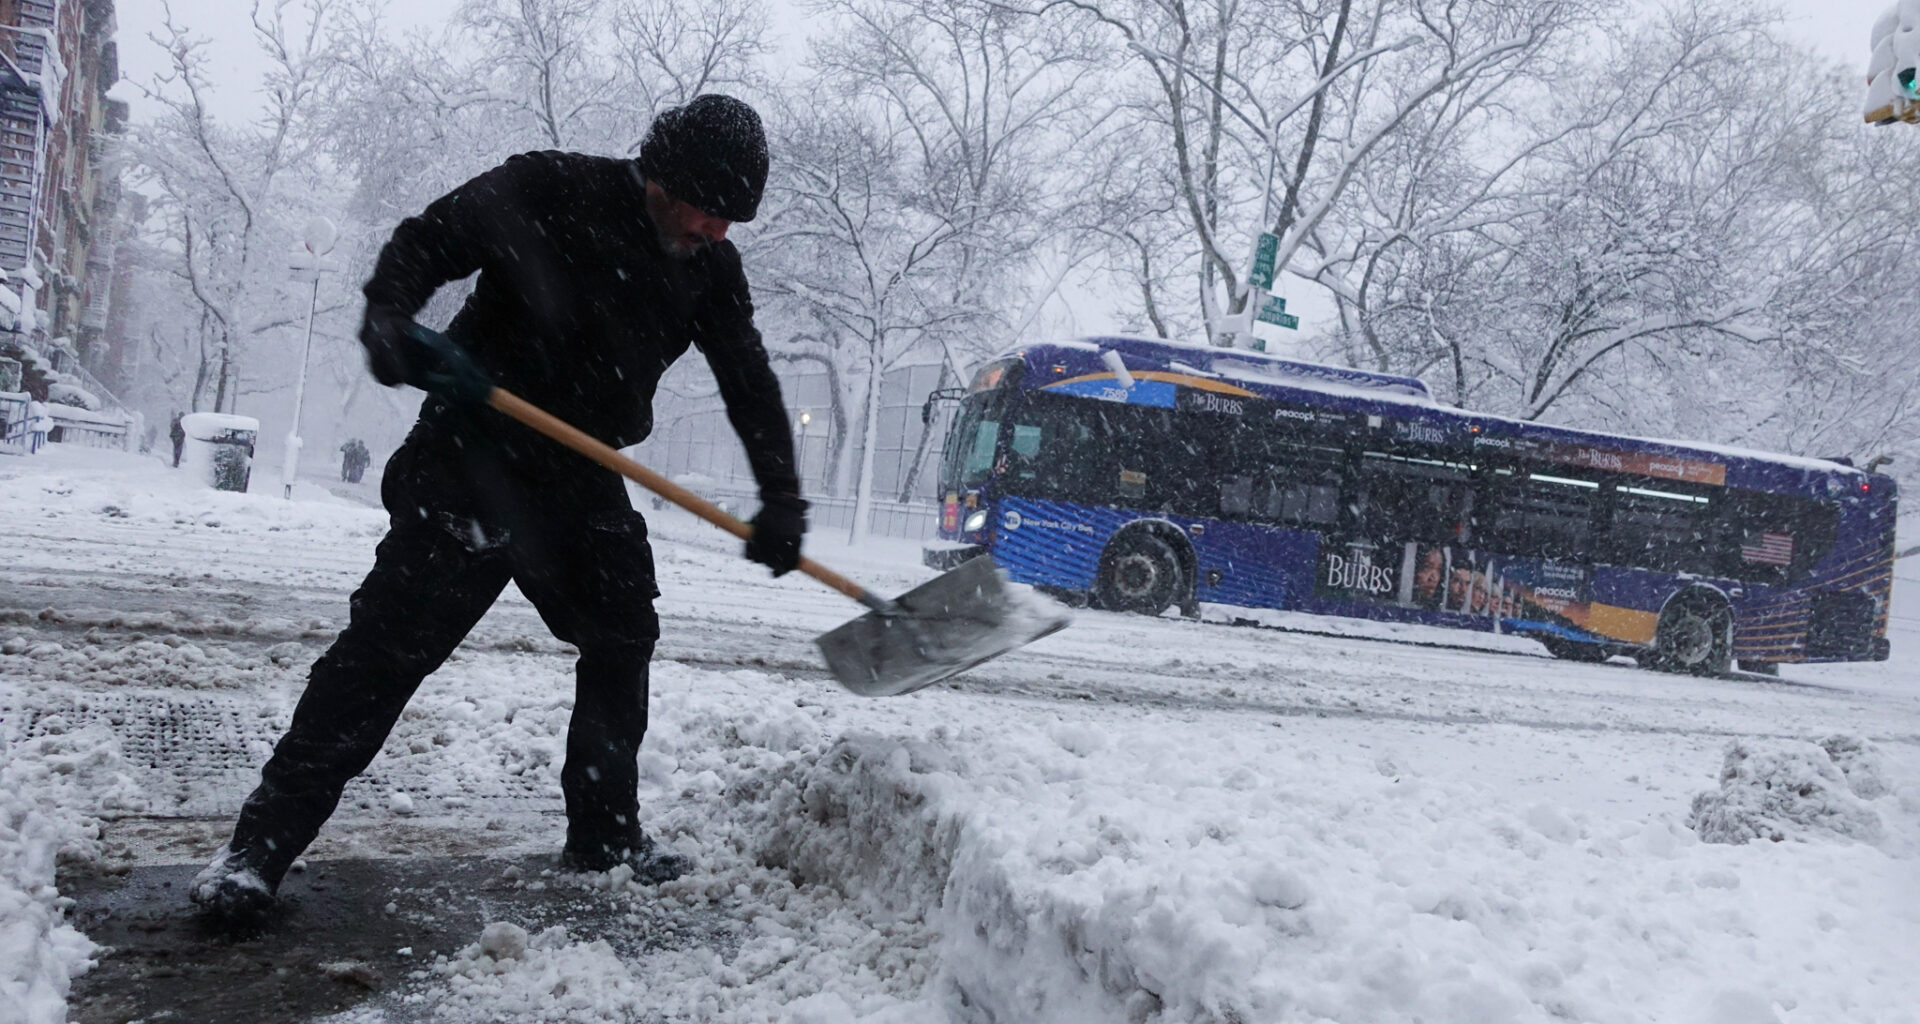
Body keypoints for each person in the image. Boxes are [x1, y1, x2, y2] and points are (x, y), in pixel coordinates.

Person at [191, 95, 807, 921]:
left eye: (734, 220)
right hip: (470, 453)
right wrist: (391, 323)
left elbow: (749, 380)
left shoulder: (709, 269)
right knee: (384, 656)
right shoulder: (547, 188)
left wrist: (781, 497)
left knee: (623, 633)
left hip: (579, 471)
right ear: (664, 175)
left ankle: (604, 835)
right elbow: (422, 246)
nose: (718, 232)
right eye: (711, 209)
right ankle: (255, 852)